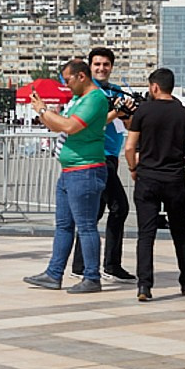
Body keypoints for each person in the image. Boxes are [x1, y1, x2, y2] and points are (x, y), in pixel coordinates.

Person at [23, 58, 109, 294]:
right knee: (63, 225)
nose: (66, 85)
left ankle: (92, 276)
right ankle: (54, 273)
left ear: (81, 76)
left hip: (85, 169)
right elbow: (56, 125)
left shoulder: (95, 99)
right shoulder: (78, 99)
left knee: (86, 226)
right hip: (71, 171)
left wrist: (43, 110)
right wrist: (43, 111)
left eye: (68, 80)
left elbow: (70, 126)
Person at [125, 68, 185, 301]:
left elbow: (130, 147)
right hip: (175, 180)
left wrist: (133, 168)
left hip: (147, 179)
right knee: (179, 232)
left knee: (146, 234)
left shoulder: (143, 112)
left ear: (154, 87)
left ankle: (144, 286)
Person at [70, 48, 136, 282]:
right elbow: (90, 123)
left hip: (111, 156)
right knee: (120, 207)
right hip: (95, 157)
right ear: (89, 66)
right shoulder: (86, 93)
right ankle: (110, 265)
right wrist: (115, 111)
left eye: (106, 64)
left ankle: (81, 265)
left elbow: (128, 124)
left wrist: (128, 111)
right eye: (97, 64)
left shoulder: (116, 91)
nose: (101, 68)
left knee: (94, 212)